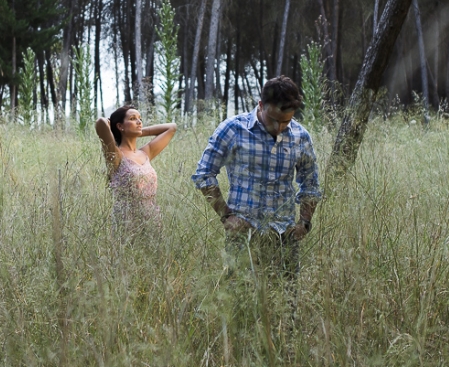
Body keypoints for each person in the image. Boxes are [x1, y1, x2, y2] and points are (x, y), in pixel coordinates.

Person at [192, 76, 322, 323]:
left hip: (284, 235)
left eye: (287, 121)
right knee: (239, 303)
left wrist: (304, 222)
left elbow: (311, 183)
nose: (279, 128)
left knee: (285, 306)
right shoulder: (233, 129)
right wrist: (226, 215)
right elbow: (204, 174)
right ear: (261, 105)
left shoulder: (300, 136)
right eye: (274, 120)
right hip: (244, 235)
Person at [96, 106, 177, 237]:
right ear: (120, 126)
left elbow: (171, 127)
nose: (139, 122)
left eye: (140, 119)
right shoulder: (116, 155)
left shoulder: (146, 152)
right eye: (133, 119)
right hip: (127, 221)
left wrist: (138, 131)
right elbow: (100, 123)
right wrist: (122, 131)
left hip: (152, 218)